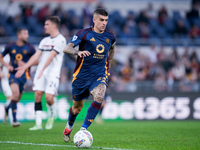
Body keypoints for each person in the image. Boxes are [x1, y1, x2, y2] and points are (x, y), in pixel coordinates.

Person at [62, 8, 116, 142]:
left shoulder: (110, 37)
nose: (104, 23)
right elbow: (66, 48)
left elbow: (112, 48)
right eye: (101, 20)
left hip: (99, 75)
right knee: (76, 109)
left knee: (100, 96)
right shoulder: (83, 34)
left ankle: (83, 130)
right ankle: (69, 126)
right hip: (81, 77)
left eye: (106, 20)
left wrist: (108, 66)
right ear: (94, 20)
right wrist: (77, 52)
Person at [15, 16, 66, 130]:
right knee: (37, 95)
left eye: (47, 24)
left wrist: (42, 69)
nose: (45, 26)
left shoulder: (61, 40)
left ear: (54, 25)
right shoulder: (44, 41)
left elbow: (51, 57)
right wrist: (25, 67)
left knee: (48, 97)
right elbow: (36, 56)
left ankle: (52, 114)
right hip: (40, 72)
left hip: (52, 73)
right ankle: (38, 124)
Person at [0, 28, 36, 127]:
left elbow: (36, 61)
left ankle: (7, 108)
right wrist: (7, 66)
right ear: (19, 35)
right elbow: (0, 57)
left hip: (24, 76)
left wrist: (26, 64)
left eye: (28, 33)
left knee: (16, 99)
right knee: (15, 95)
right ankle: (14, 120)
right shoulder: (10, 46)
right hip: (12, 74)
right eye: (25, 33)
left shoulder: (30, 47)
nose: (27, 36)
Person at [0, 54, 13, 124]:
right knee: (10, 97)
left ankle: (6, 109)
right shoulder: (4, 57)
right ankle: (12, 119)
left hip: (14, 79)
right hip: (5, 80)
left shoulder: (16, 55)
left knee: (13, 98)